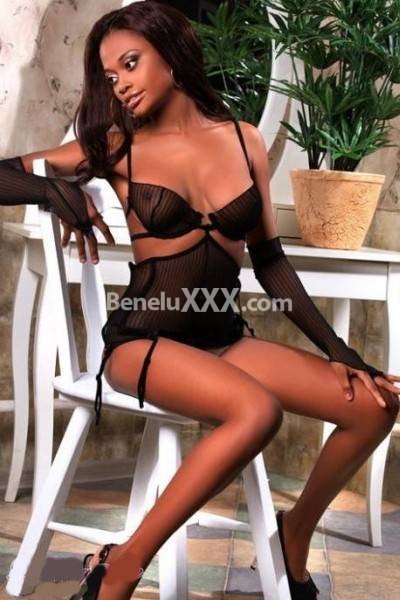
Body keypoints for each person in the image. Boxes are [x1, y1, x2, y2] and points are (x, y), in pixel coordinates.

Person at [1, 2, 399, 599]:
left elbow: (270, 261)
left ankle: (292, 535)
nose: (121, 84)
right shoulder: (115, 146)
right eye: (110, 75)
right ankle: (123, 565)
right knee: (257, 411)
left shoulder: (243, 140)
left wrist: (340, 350)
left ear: (171, 53)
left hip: (223, 340)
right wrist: (52, 190)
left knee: (373, 406)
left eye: (130, 63)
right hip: (143, 342)